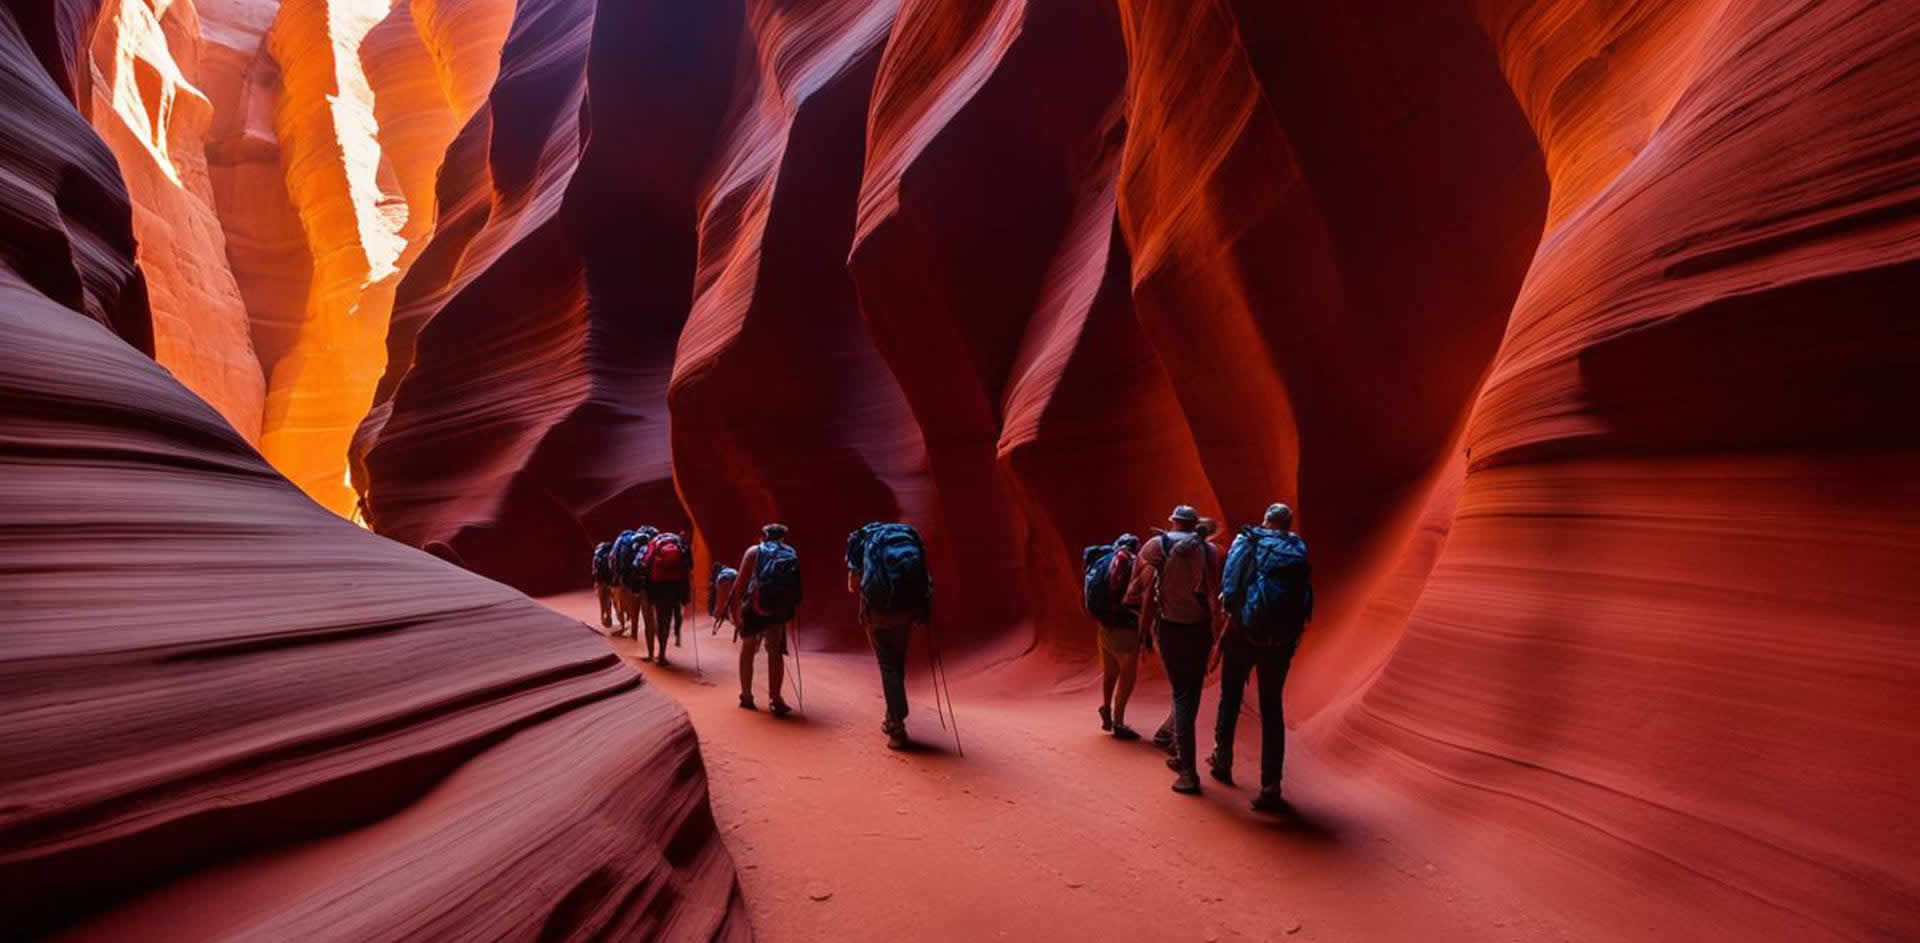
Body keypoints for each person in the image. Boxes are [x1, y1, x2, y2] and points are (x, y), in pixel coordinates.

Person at [1214, 503, 1313, 813]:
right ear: (1288, 523)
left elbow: (1229, 586)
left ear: (1266, 520)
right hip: (1281, 641)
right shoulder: (1298, 547)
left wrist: (1232, 616)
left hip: (1244, 633)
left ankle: (1223, 760)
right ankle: (1271, 784)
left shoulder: (1249, 540)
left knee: (1230, 695)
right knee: (1271, 707)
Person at [1125, 505, 1221, 795]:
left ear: (1173, 522)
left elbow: (1135, 590)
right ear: (1195, 525)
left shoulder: (1157, 545)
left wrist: (1143, 629)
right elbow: (1215, 595)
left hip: (1170, 629)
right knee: (1189, 692)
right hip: (1200, 629)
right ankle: (1181, 755)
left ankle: (1189, 772)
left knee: (1182, 695)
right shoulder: (1210, 550)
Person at [847, 522, 932, 750]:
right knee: (898, 663)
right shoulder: (908, 539)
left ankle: (897, 726)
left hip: (878, 614)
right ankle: (891, 717)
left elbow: (853, 586)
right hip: (906, 612)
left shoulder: (863, 543)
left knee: (887, 665)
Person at [730, 524, 801, 716]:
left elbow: (740, 583)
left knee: (748, 648)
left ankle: (746, 696)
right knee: (775, 651)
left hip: (753, 608)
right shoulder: (790, 553)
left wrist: (736, 613)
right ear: (783, 537)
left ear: (764, 536)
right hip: (777, 610)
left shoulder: (754, 552)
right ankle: (775, 699)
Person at [1085, 533, 1144, 739]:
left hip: (1104, 625)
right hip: (1125, 627)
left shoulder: (1105, 560)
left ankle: (1106, 709)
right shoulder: (1134, 563)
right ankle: (1119, 722)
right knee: (1127, 676)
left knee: (1109, 673)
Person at [643, 530, 692, 663]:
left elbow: (646, 563)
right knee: (667, 619)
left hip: (658, 586)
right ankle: (662, 654)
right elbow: (689, 566)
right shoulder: (679, 545)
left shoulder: (654, 543)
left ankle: (654, 652)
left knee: (659, 617)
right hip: (674, 587)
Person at [710, 562, 739, 636]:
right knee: (735, 604)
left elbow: (719, 600)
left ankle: (716, 622)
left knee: (720, 603)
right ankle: (738, 623)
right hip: (736, 577)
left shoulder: (719, 574)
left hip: (725, 579)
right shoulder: (729, 569)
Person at [592, 540, 616, 628]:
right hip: (609, 582)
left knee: (602, 601)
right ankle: (609, 617)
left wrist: (596, 582)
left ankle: (602, 617)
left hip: (600, 582)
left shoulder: (597, 556)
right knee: (609, 600)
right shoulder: (610, 555)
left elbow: (594, 571)